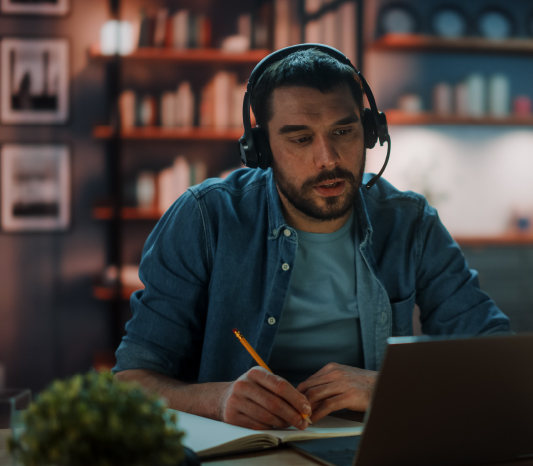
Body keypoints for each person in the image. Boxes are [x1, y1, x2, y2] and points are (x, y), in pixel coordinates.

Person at [113, 46, 510, 431]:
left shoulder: (410, 222)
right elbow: (131, 381)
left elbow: (497, 357)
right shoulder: (204, 217)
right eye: (300, 138)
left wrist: (389, 389)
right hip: (243, 455)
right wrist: (217, 401)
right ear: (261, 150)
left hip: (366, 448)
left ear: (370, 131)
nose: (329, 158)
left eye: (343, 130)